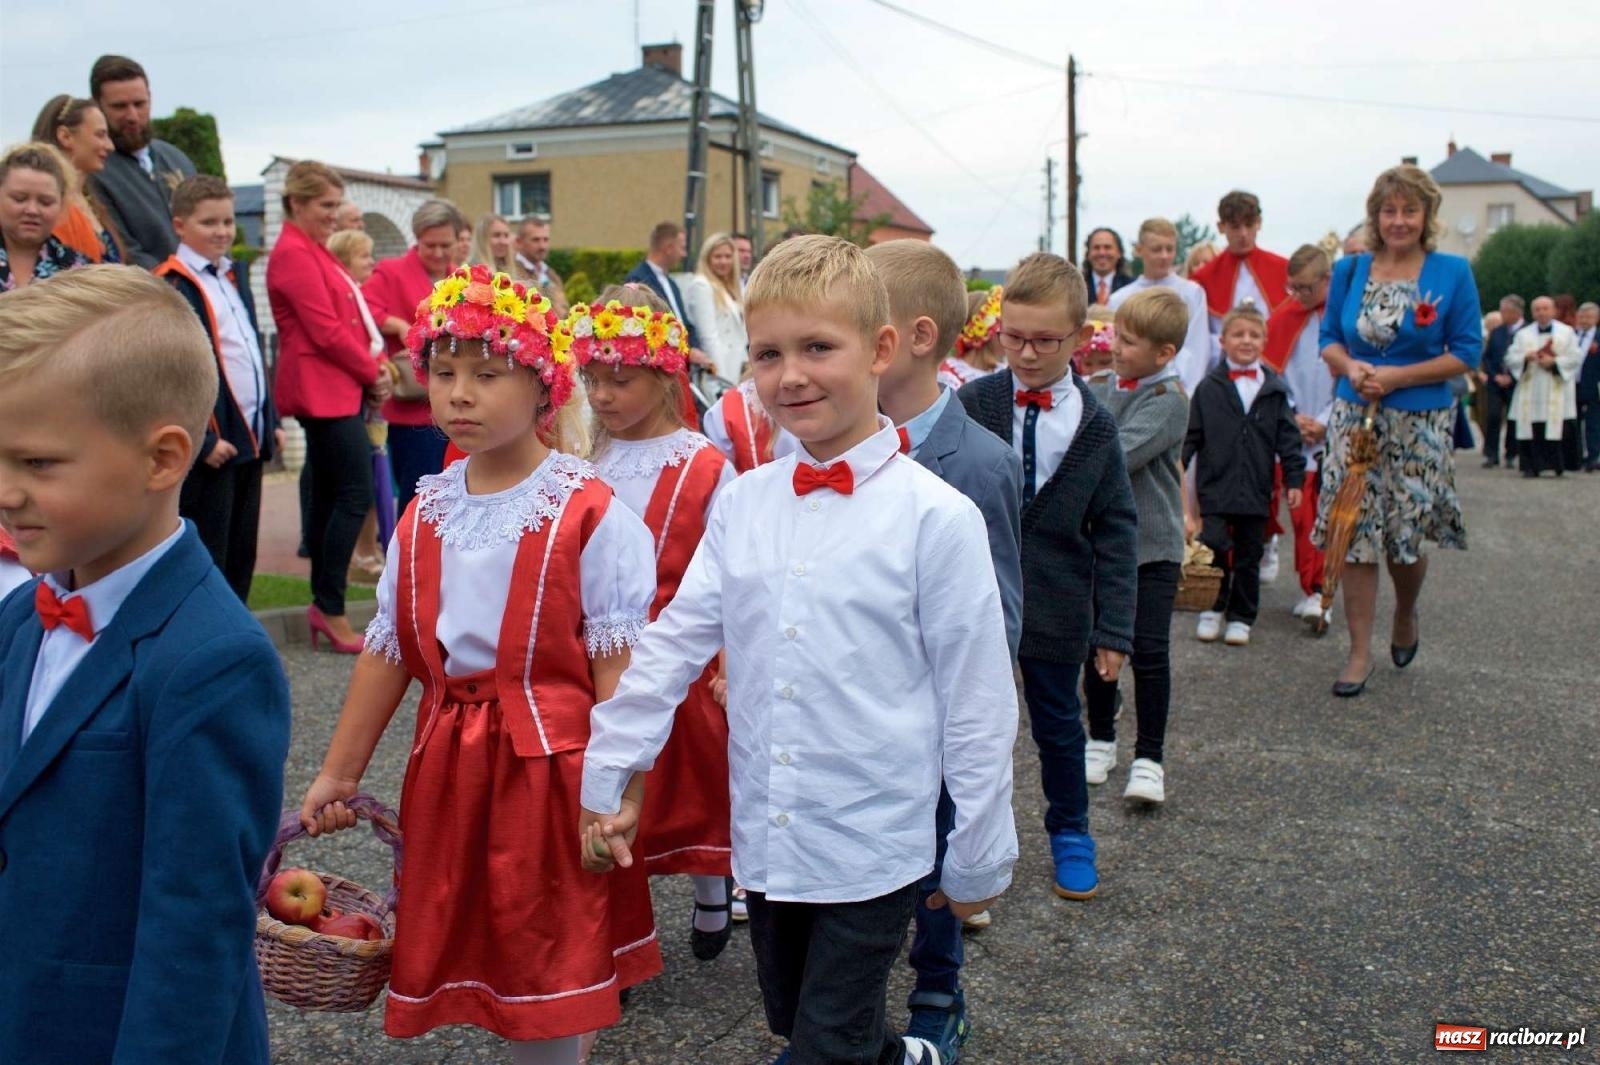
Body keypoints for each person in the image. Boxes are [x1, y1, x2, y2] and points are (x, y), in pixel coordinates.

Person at [580, 235, 1019, 1065]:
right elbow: (674, 644)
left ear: (881, 349)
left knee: (818, 1045)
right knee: (803, 1020)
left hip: (875, 837)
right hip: (770, 833)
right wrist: (611, 768)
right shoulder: (744, 502)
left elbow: (977, 698)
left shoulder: (937, 517)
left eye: (819, 347)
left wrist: (979, 848)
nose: (792, 375)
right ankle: (899, 1056)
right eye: (770, 353)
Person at [300, 265, 661, 1064]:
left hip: (552, 770)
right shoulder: (428, 506)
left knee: (549, 947)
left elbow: (619, 672)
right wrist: (338, 772)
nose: (459, 393)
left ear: (541, 389)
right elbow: (390, 651)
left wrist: (618, 792)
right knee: (497, 952)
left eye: (487, 374)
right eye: (444, 372)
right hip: (451, 764)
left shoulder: (587, 509)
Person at [0, 265, 290, 1064]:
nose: (5, 491)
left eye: (37, 464)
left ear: (164, 458)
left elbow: (193, 930)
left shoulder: (214, 662)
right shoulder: (20, 616)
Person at [867, 238, 1023, 1061]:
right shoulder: (832, 448)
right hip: (864, 706)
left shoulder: (982, 461)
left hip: (934, 708)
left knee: (936, 855)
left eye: (861, 323)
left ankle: (938, 989)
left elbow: (998, 608)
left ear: (915, 339)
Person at [959, 251, 1137, 902]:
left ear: (1081, 339)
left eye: (1044, 340)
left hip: (1060, 605)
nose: (1027, 353)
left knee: (1059, 725)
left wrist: (1114, 626)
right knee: (971, 727)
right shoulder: (972, 402)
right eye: (1013, 337)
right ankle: (966, 847)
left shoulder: (1096, 425)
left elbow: (1117, 526)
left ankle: (1071, 832)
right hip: (975, 597)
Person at [574, 286, 738, 962]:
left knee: (694, 775)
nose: (604, 395)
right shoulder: (586, 464)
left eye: (622, 379)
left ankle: (710, 882)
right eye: (593, 379)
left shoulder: (704, 464)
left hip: (680, 647)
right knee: (611, 787)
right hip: (604, 650)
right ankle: (621, 928)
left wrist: (728, 656)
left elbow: (730, 569)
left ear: (664, 375)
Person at [1316, 164, 1482, 697]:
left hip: (1420, 423)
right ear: (1376, 215)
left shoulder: (1452, 272)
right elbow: (1328, 338)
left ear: (1426, 215)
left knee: (1404, 540)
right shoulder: (1349, 269)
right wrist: (1351, 368)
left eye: (1410, 210)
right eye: (1389, 210)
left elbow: (1467, 352)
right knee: (1356, 532)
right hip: (1353, 420)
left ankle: (1406, 612)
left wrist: (1397, 376)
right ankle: (1359, 651)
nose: (1399, 220)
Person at [267, 160, 390, 652]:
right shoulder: (294, 254)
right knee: (353, 495)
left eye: (337, 205)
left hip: (335, 387)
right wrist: (371, 370)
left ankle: (325, 603)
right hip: (323, 390)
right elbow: (325, 330)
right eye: (326, 205)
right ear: (296, 203)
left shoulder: (312, 250)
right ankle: (331, 607)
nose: (334, 215)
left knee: (326, 498)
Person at [1079, 288, 1190, 808]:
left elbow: (1116, 455)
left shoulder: (1169, 402)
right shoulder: (1098, 385)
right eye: (1116, 335)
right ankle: (1100, 737)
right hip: (1102, 544)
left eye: (1128, 341)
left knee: (1147, 652)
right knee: (1095, 642)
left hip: (1153, 546)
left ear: (1164, 353)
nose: (1114, 346)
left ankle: (1150, 758)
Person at [155, 175, 280, 602]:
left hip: (249, 435)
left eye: (228, 221)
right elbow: (169, 371)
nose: (222, 231)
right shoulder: (173, 284)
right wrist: (202, 437)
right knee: (211, 552)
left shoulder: (230, 275)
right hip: (213, 443)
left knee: (243, 551)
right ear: (180, 225)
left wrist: (272, 419)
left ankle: (236, 640)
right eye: (209, 223)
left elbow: (250, 350)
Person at [1184, 305, 1306, 647]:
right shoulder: (1208, 388)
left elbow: (1289, 439)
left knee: (1250, 554)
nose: (1246, 341)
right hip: (1216, 485)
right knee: (1216, 548)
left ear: (1265, 340)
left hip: (1256, 487)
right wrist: (1177, 468)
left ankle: (1241, 616)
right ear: (1223, 341)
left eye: (1254, 335)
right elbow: (1192, 436)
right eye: (1238, 334)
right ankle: (1212, 606)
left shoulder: (1275, 389)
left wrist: (1294, 480)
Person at [363, 198, 464, 515]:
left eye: (444, 245)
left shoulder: (461, 279)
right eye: (428, 245)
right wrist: (399, 325)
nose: (437, 253)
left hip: (454, 403)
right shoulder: (391, 271)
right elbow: (361, 309)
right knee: (417, 496)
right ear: (416, 240)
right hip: (413, 409)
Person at [1264, 245, 1337, 625]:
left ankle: (1319, 590)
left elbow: (1350, 375)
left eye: (1306, 288)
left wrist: (1325, 420)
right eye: (1293, 288)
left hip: (1334, 428)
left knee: (1324, 514)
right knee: (1300, 513)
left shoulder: (1342, 317)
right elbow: (1275, 374)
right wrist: (1293, 419)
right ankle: (1310, 587)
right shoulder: (1283, 317)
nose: (1298, 296)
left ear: (1327, 280)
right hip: (1293, 430)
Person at [85, 55, 195, 268]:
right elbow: (125, 250)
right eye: (119, 106)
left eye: (139, 104)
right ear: (98, 106)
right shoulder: (95, 173)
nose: (132, 115)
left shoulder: (176, 159)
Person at [327, 227, 391, 582]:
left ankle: (369, 546)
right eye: (365, 256)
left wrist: (384, 373)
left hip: (369, 399)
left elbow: (374, 342)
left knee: (374, 480)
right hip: (352, 400)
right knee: (359, 485)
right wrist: (374, 373)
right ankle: (360, 551)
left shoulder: (358, 295)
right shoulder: (345, 297)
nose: (372, 262)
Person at [1109, 218, 1210, 393]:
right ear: (1140, 250)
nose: (1164, 256)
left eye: (1169, 249)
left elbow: (1196, 348)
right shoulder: (1119, 298)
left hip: (1179, 387)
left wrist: (1181, 389)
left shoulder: (1192, 293)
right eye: (1156, 249)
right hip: (1128, 388)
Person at [1190, 190, 1289, 361]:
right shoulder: (1203, 279)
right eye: (1235, 226)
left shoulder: (1284, 269)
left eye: (1249, 225)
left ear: (1259, 223)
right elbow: (1200, 337)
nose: (1243, 234)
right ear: (1221, 227)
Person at [30, 95, 123, 263]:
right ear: (65, 136)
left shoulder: (91, 204)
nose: (110, 146)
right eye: (100, 135)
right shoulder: (50, 208)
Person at [1505, 296, 1581, 478]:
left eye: (1545, 308)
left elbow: (1575, 357)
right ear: (1532, 313)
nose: (1542, 312)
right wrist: (1525, 357)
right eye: (1537, 309)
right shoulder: (1523, 334)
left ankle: (1558, 465)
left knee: (1557, 425)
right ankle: (1532, 466)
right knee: (1532, 426)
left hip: (1555, 387)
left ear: (1553, 310)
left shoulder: (1566, 332)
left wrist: (1554, 362)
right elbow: (1510, 357)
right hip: (1531, 388)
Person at [0, 144, 93, 291]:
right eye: (20, 199)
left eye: (45, 202)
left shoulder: (78, 270)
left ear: (61, 205)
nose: (32, 210)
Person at [684, 231, 748, 382]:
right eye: (717, 257)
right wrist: (720, 378)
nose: (723, 261)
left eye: (727, 256)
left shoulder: (731, 287)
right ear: (707, 259)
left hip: (738, 367)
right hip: (719, 370)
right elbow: (708, 337)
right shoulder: (702, 285)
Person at [1479, 295, 1525, 469]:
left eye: (1505, 311)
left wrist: (1511, 377)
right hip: (1496, 381)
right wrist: (1494, 375)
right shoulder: (1497, 331)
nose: (1502, 314)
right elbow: (1488, 357)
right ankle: (1491, 453)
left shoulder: (1526, 331)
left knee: (1513, 419)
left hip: (1516, 382)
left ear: (1516, 312)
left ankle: (1511, 453)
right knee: (1492, 416)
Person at [946, 285, 1005, 384]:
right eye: (1001, 328)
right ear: (984, 334)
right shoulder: (949, 377)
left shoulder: (1005, 372)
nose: (1009, 335)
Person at [514, 215, 567, 314]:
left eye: (545, 240)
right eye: (536, 240)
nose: (542, 246)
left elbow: (564, 309)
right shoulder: (510, 272)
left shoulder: (551, 274)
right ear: (519, 242)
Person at [1576, 301, 1600, 471]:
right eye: (1582, 316)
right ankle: (1576, 456)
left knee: (1593, 423)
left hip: (1594, 386)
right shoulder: (1571, 336)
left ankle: (1593, 456)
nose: (1585, 320)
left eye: (1589, 317)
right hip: (1573, 385)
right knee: (1574, 423)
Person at [1083, 226, 1133, 306]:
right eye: (1096, 248)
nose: (1102, 253)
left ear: (1119, 253)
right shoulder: (1076, 287)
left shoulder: (1131, 287)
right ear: (1088, 254)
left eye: (1107, 247)